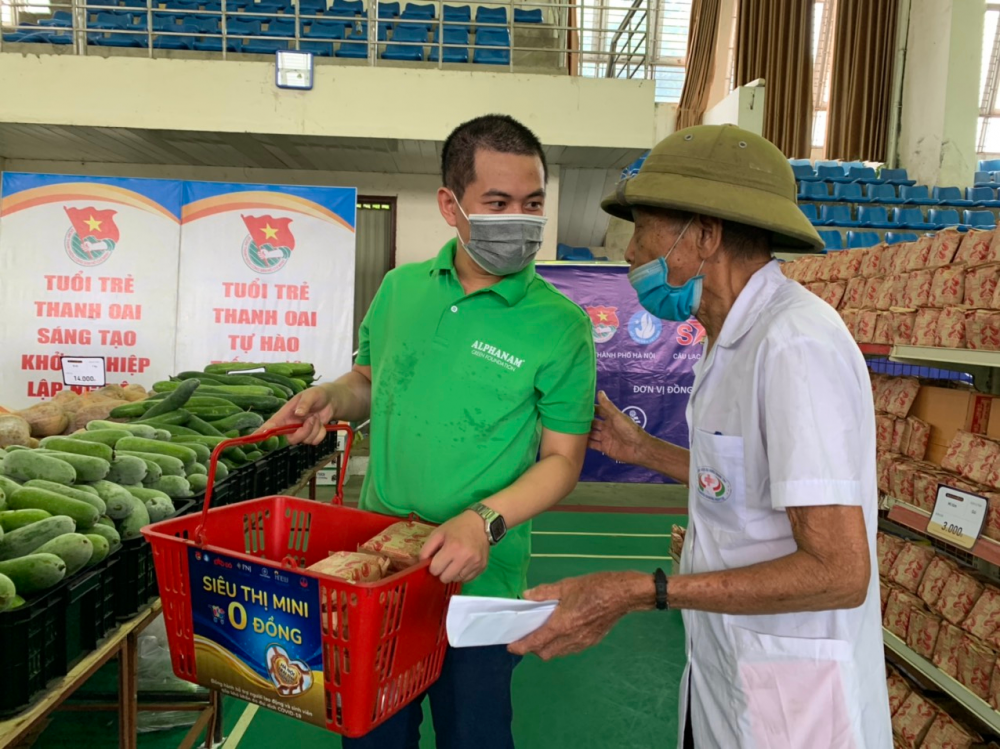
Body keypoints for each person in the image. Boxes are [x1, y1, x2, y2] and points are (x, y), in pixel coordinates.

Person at [510, 125, 892, 748]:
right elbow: (747, 477)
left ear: (704, 236)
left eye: (642, 230)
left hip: (792, 707)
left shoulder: (794, 344)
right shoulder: (729, 339)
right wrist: (643, 450)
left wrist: (645, 590)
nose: (631, 253)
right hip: (727, 673)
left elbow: (841, 571)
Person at [263, 113, 597, 749]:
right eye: (496, 203)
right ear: (451, 204)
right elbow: (368, 379)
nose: (518, 220)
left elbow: (561, 458)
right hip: (377, 575)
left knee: (474, 736)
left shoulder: (560, 326)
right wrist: (328, 397)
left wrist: (485, 522)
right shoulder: (399, 290)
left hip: (480, 584)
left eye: (532, 204)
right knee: (373, 737)